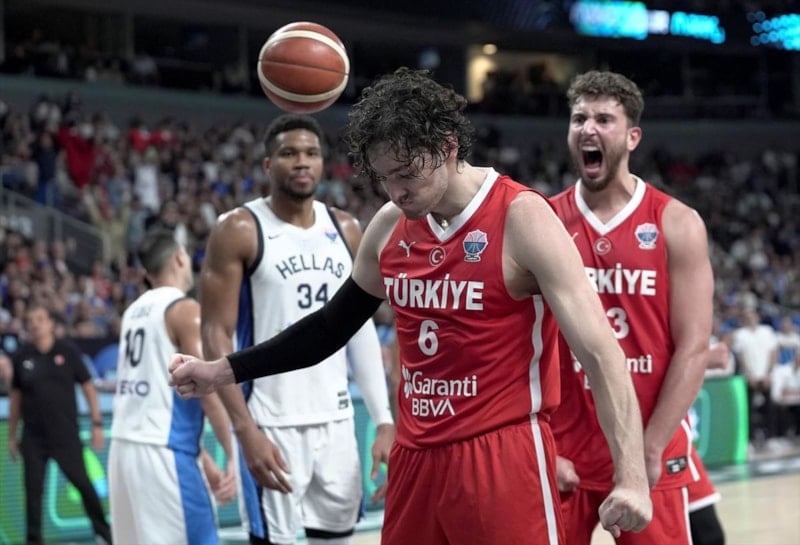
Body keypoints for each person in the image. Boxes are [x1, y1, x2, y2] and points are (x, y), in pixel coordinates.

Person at [171, 67, 652, 545]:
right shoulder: (389, 226)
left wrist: (631, 477)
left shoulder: (521, 217)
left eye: (405, 174)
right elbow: (327, 329)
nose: (396, 191)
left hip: (501, 455)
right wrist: (222, 371)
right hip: (415, 456)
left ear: (447, 147)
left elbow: (600, 353)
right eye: (384, 178)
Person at [197, 113, 395, 545]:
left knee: (340, 539)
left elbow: (359, 330)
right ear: (268, 165)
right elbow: (214, 335)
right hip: (271, 421)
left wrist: (383, 419)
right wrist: (245, 430)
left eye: (311, 153)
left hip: (337, 420)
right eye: (289, 153)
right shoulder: (238, 229)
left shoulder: (346, 229)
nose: (302, 162)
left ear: (323, 163)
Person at [550, 70, 715, 545]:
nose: (588, 129)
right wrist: (541, 445)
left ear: (632, 136)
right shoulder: (542, 220)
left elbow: (694, 346)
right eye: (579, 118)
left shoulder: (677, 222)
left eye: (604, 119)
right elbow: (521, 346)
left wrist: (650, 446)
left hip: (647, 440)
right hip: (564, 448)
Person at [108, 228, 237, 545]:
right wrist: (234, 452)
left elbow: (154, 397)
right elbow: (207, 390)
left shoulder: (133, 312)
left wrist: (203, 458)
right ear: (180, 258)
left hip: (123, 450)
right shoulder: (185, 311)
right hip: (164, 454)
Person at [8, 305, 113, 545]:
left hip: (65, 435)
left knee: (84, 485)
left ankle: (105, 533)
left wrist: (96, 423)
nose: (35, 324)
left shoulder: (67, 352)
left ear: (50, 324)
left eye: (40, 319)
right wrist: (12, 436)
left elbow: (88, 387)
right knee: (33, 493)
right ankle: (34, 540)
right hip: (33, 438)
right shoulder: (22, 357)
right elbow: (15, 398)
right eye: (31, 320)